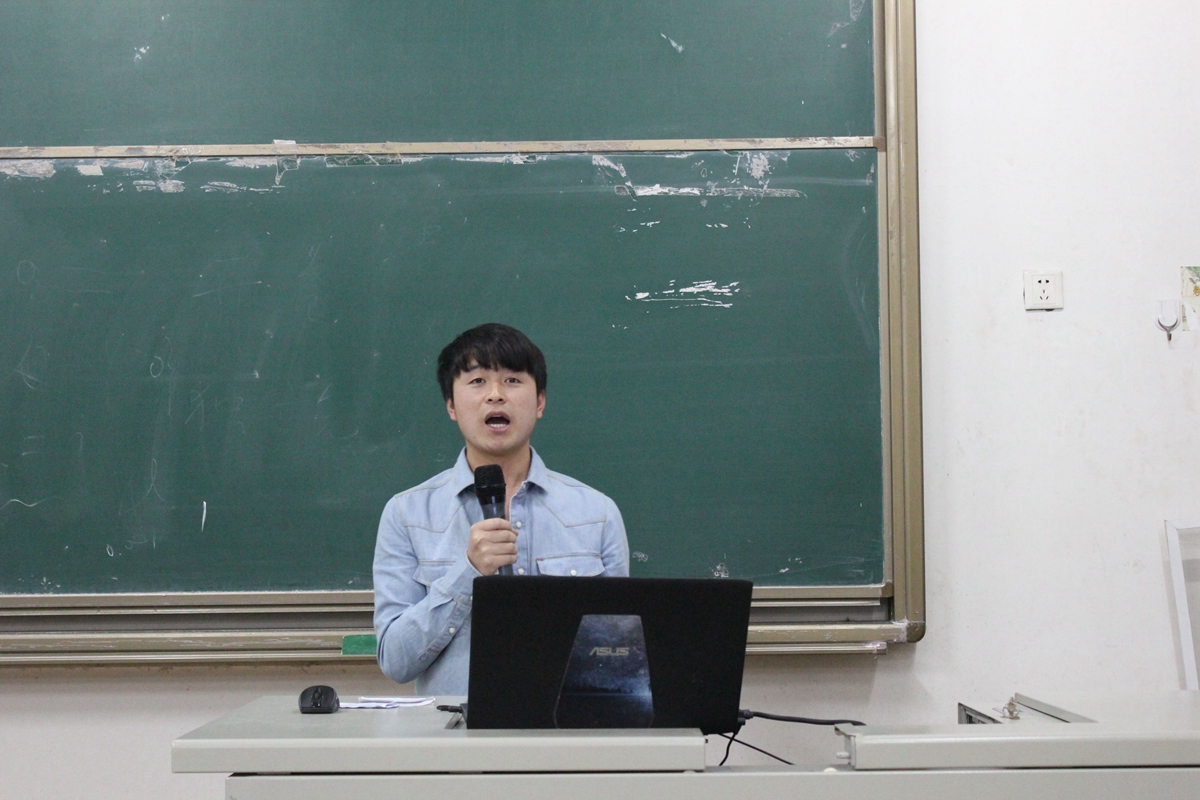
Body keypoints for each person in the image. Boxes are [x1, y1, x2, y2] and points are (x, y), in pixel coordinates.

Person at [373, 323, 630, 693]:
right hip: (454, 726)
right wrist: (468, 573)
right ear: (451, 405)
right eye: (477, 381)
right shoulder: (407, 514)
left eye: (512, 380)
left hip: (563, 724)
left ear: (539, 402)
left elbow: (618, 654)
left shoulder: (597, 513)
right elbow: (396, 662)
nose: (495, 395)